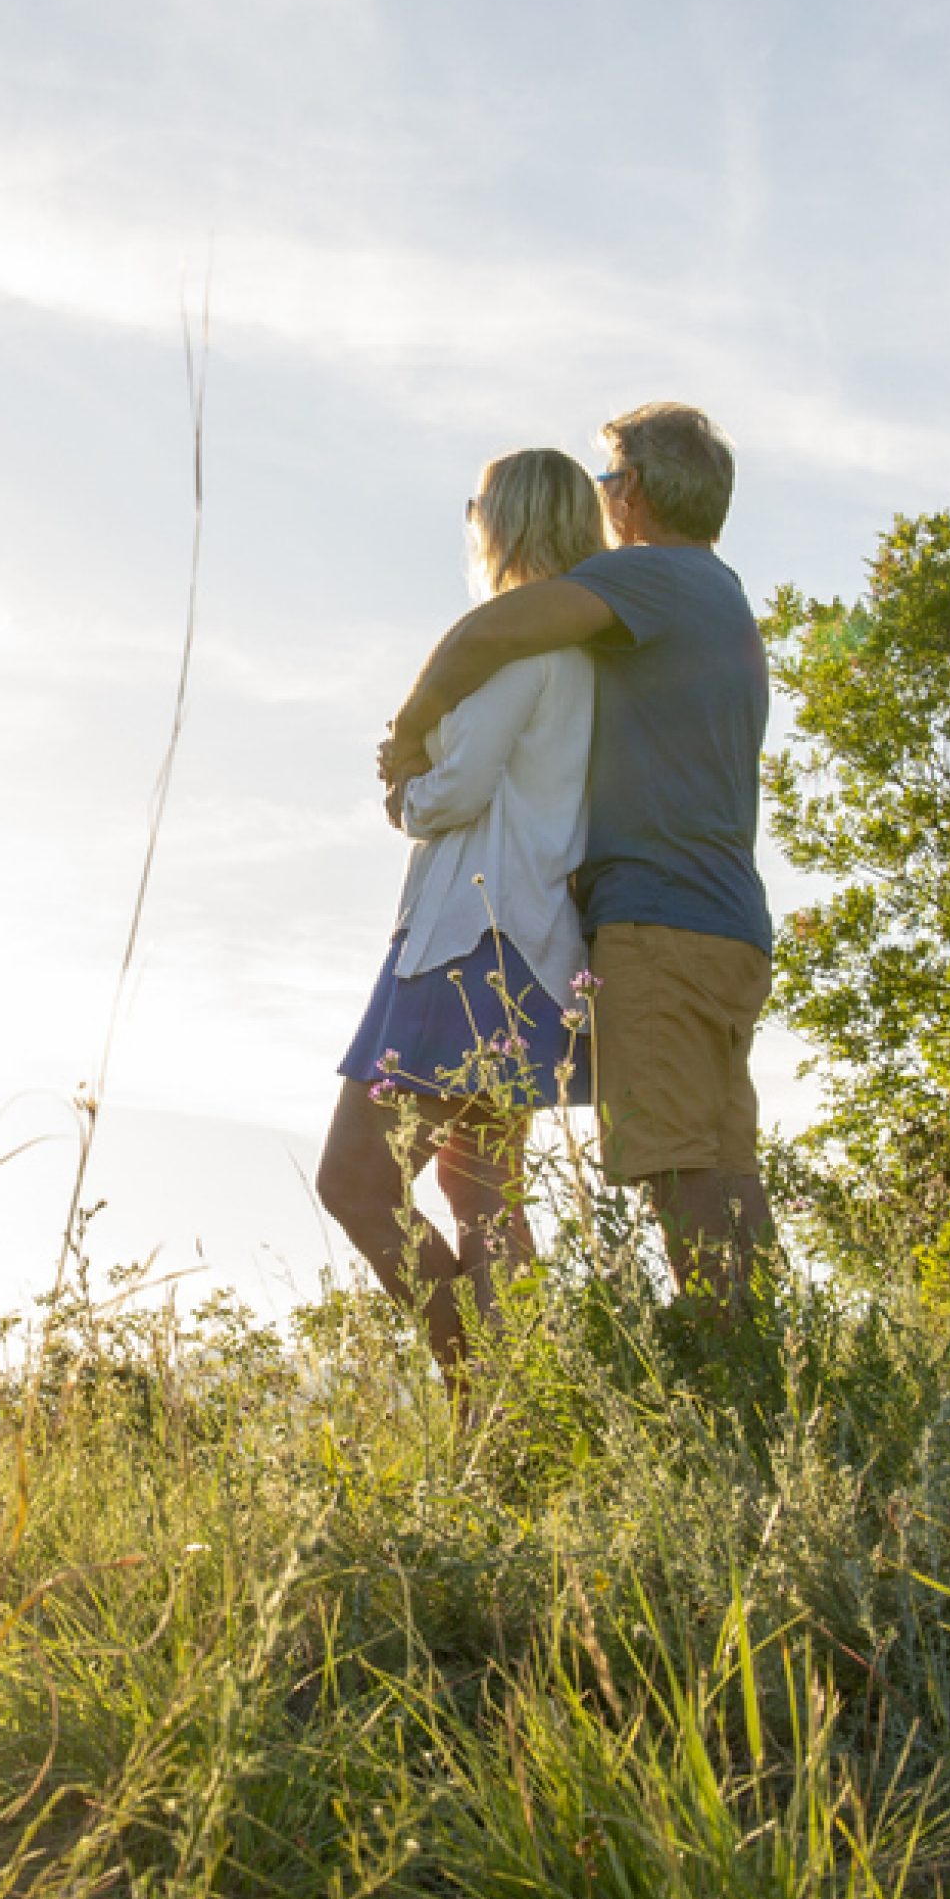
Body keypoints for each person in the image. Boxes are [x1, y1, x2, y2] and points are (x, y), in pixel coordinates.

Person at [378, 402, 774, 1334]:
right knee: (723, 1170)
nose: (599, 502)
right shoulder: (718, 595)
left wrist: (403, 740)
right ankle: (768, 1372)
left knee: (678, 1170)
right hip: (722, 925)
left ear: (631, 492)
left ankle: (732, 1393)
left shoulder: (656, 580)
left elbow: (492, 630)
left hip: (662, 925)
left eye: (607, 482)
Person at [315, 447, 605, 1375]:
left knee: (357, 1184)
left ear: (507, 521)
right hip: (524, 946)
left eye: (478, 505)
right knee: (482, 1187)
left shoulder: (525, 642)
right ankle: (516, 1413)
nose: (472, 519)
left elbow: (453, 792)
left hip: (468, 944)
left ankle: (477, 1373)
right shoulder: (579, 651)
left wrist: (402, 787)